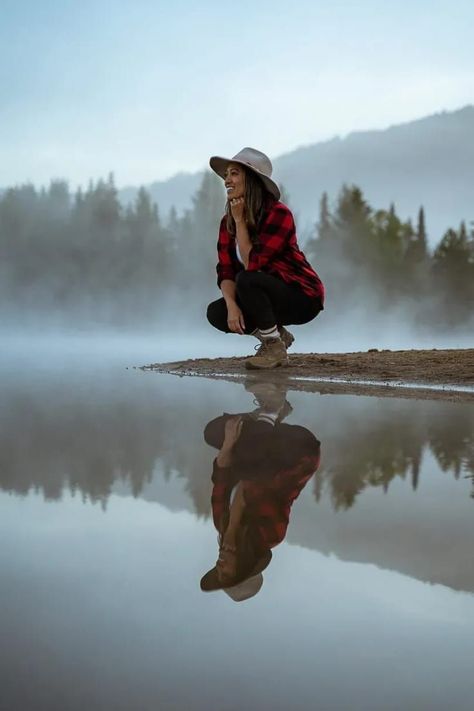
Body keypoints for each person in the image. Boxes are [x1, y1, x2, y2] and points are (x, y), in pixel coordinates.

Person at [200, 380, 321, 602]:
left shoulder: (222, 525)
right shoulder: (269, 536)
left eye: (218, 572)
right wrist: (237, 450)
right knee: (249, 456)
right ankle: (271, 410)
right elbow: (263, 484)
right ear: (242, 567)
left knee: (212, 432)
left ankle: (269, 418)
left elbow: (220, 483)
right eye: (226, 572)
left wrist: (228, 447)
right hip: (296, 454)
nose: (219, 567)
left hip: (261, 451)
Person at [206, 147, 325, 370]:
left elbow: (254, 264)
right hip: (263, 293)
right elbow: (226, 268)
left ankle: (273, 347)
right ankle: (277, 337)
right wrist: (232, 306)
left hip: (303, 297)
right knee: (217, 312)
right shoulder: (227, 221)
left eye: (234, 174)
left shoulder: (278, 213)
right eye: (226, 175)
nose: (226, 181)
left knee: (248, 279)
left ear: (251, 179)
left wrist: (241, 222)